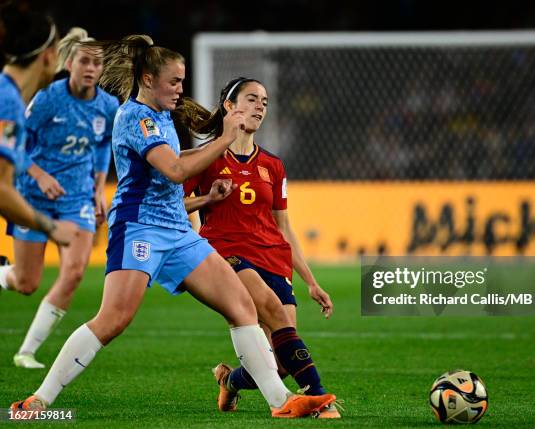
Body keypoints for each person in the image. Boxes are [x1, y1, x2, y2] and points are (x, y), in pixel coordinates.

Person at [11, 35, 335, 418]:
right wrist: (226, 138)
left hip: (179, 232)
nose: (181, 89)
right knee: (113, 319)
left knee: (242, 306)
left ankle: (280, 401)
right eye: (175, 81)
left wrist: (205, 186)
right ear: (148, 79)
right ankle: (39, 400)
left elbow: (176, 158)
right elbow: (175, 170)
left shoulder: (161, 115)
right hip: (140, 228)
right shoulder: (135, 117)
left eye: (182, 81)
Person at [183, 77, 339, 418]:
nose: (260, 107)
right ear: (230, 106)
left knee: (279, 362)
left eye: (264, 102)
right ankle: (318, 394)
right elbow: (175, 205)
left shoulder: (273, 165)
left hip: (273, 257)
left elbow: (284, 228)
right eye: (252, 99)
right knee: (272, 310)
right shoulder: (205, 159)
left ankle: (230, 382)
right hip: (228, 252)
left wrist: (311, 281)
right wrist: (207, 202)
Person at [3, 28, 119, 369]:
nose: (91, 68)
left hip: (77, 198)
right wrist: (39, 174)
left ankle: (26, 352)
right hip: (32, 196)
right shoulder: (47, 98)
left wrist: (99, 188)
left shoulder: (108, 106)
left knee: (74, 272)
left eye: (97, 63)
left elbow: (102, 147)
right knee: (26, 283)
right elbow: (17, 143)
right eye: (84, 60)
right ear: (69, 63)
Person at [0, 3, 78, 264]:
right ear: (47, 56)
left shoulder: (9, 96)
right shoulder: (8, 102)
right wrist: (52, 227)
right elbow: (1, 189)